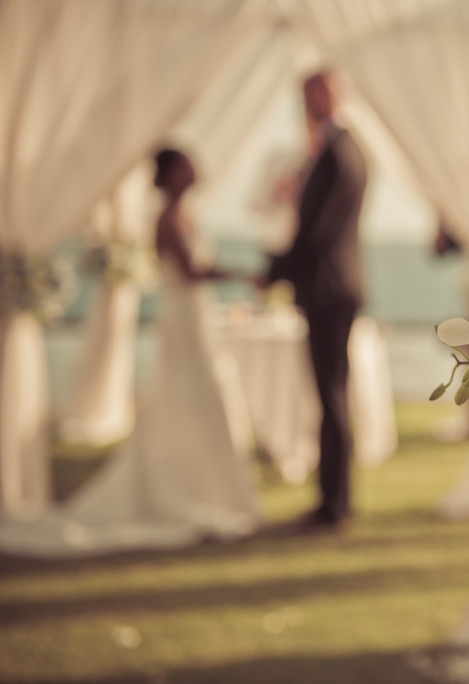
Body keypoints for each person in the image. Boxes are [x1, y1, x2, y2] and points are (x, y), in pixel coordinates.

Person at [0, 149, 261, 558]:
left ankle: (209, 485)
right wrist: (244, 274)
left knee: (203, 397)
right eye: (186, 165)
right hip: (184, 318)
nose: (195, 170)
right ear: (171, 174)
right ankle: (185, 485)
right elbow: (191, 271)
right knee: (191, 394)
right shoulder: (167, 219)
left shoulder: (185, 215)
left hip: (196, 316)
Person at [266, 71, 368, 530]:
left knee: (331, 395)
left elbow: (318, 230)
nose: (304, 105)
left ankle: (335, 505)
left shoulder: (336, 152)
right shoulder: (340, 149)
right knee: (332, 395)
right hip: (335, 284)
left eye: (309, 95)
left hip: (328, 287)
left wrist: (273, 270)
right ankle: (333, 499)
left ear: (328, 96)